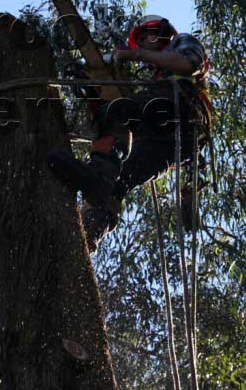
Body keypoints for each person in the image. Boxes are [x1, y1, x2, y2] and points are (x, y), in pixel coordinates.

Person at [48, 15, 211, 251]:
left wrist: (134, 54)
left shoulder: (181, 42)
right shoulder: (156, 76)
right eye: (140, 42)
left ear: (160, 33)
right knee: (121, 178)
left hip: (179, 115)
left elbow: (190, 64)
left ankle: (98, 178)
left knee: (118, 110)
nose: (143, 45)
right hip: (167, 143)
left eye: (147, 38)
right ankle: (89, 234)